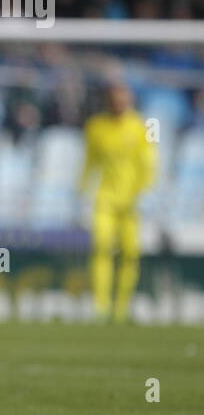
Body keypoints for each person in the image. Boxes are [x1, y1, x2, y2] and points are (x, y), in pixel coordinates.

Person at [81, 82, 155, 322]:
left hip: (132, 201)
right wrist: (81, 191)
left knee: (130, 253)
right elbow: (89, 162)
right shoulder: (95, 127)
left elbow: (150, 163)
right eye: (115, 100)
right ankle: (100, 307)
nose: (120, 104)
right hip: (104, 198)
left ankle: (121, 308)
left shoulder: (143, 126)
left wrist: (146, 192)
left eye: (124, 100)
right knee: (101, 248)